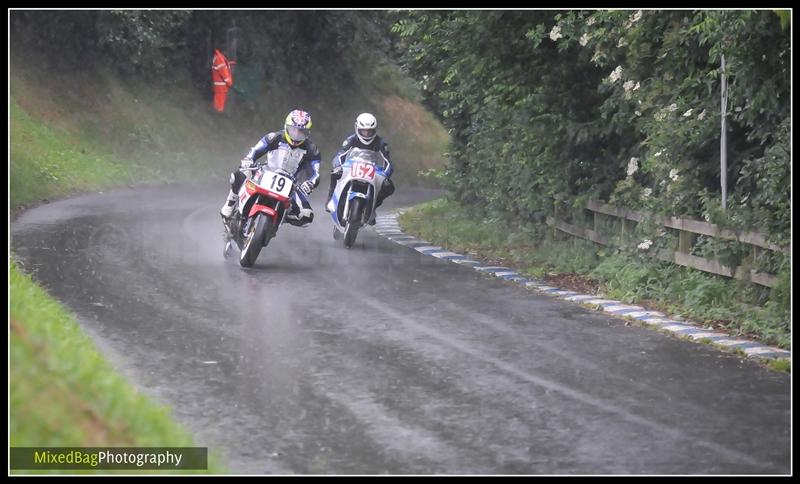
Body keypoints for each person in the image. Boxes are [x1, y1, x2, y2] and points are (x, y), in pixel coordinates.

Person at [220, 109, 321, 227]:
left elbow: (315, 173)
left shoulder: (312, 150)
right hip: (265, 172)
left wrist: (310, 183)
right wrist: (249, 160)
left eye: (301, 132)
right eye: (293, 130)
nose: (296, 135)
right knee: (239, 175)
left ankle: (282, 216)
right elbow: (256, 150)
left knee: (306, 216)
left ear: (307, 133)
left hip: (290, 185)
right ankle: (229, 204)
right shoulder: (274, 137)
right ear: (286, 127)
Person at [326, 113, 394, 222]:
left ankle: (372, 207)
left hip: (373, 171)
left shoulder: (381, 143)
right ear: (357, 128)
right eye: (363, 131)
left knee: (388, 187)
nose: (366, 134)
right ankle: (330, 199)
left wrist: (385, 175)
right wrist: (338, 166)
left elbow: (388, 163)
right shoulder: (351, 140)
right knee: (334, 173)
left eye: (369, 131)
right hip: (351, 168)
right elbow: (340, 156)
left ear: (374, 130)